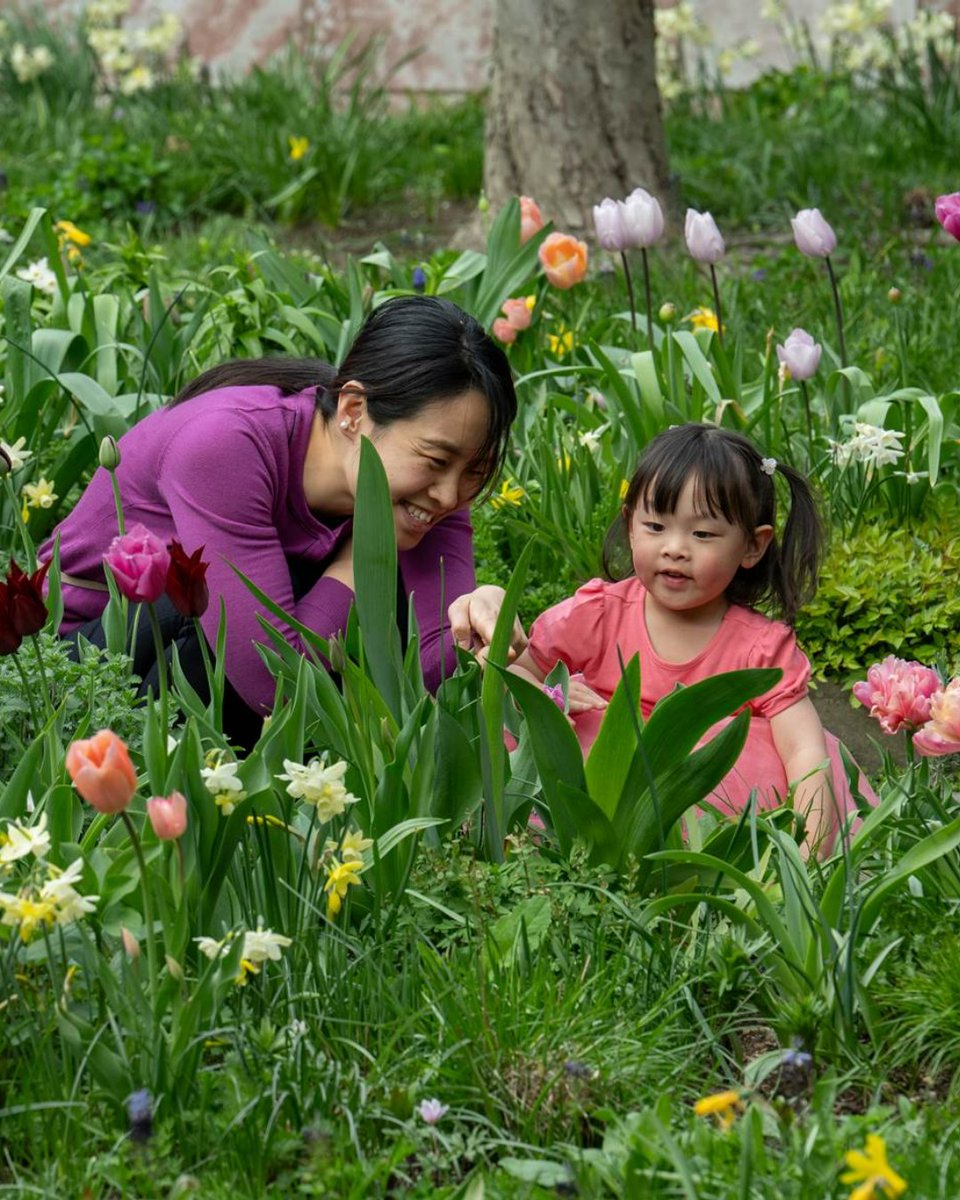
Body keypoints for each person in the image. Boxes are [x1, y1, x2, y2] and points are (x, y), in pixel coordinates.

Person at [41, 295, 523, 744]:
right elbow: (274, 686)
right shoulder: (227, 445)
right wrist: (361, 557)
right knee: (208, 593)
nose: (449, 495)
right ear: (355, 410)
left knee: (385, 600)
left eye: (474, 472)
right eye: (436, 460)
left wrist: (483, 622)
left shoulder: (432, 487)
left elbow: (431, 670)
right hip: (87, 665)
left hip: (247, 658)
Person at [509, 422, 863, 854]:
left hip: (713, 806)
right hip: (598, 792)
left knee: (760, 750)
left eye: (702, 534)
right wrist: (549, 695)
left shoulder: (760, 649)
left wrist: (810, 860)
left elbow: (806, 753)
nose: (675, 548)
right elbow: (516, 676)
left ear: (753, 546)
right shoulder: (596, 615)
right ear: (630, 525)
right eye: (656, 526)